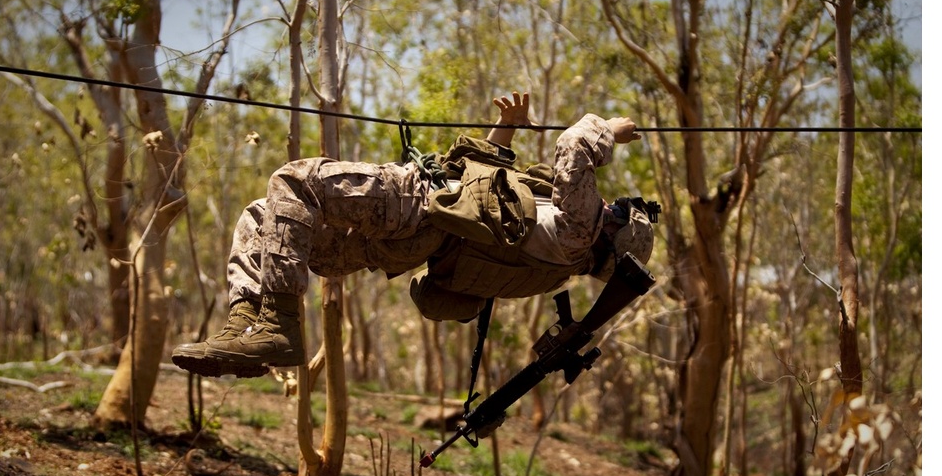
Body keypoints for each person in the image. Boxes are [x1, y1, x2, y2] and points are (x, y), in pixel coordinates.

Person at [171, 92, 654, 378]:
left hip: (416, 203)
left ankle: (277, 325)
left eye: (618, 213)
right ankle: (246, 326)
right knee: (264, 217)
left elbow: (574, 144)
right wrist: (505, 129)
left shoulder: (577, 234)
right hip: (413, 241)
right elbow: (481, 194)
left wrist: (608, 129)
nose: (609, 206)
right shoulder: (555, 263)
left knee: (295, 181)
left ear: (612, 238)